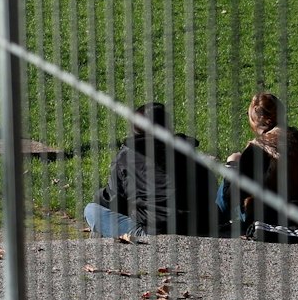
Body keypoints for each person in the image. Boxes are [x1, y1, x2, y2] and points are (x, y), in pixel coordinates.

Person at [84, 102, 226, 238]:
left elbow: (112, 199)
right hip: (198, 226)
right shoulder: (186, 150)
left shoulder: (126, 157)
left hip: (152, 232)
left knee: (91, 210)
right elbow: (210, 187)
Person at [225, 91, 298, 241]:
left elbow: (233, 197)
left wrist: (232, 165)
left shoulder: (258, 148)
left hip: (271, 215)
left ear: (257, 120)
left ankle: (217, 219)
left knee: (229, 177)